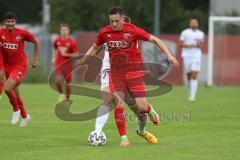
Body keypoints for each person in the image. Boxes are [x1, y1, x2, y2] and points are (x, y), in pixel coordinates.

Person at [78, 7, 178, 146]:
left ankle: (146, 114)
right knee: (116, 102)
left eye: (116, 21)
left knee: (140, 108)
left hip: (134, 73)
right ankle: (123, 139)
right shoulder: (105, 32)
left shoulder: (133, 30)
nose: (113, 24)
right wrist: (85, 58)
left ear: (123, 19)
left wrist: (169, 55)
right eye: (111, 21)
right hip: (116, 73)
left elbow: (155, 40)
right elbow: (95, 47)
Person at [94, 16, 156, 147]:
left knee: (139, 110)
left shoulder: (131, 38)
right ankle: (97, 132)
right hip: (109, 71)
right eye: (114, 23)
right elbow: (97, 46)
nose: (117, 26)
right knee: (108, 99)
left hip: (127, 74)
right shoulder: (107, 34)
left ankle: (142, 131)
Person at [0, 12, 39, 127]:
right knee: (16, 94)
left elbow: (36, 41)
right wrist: (1, 68)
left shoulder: (22, 33)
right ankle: (25, 116)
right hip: (7, 66)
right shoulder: (1, 33)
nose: (10, 23)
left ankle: (16, 110)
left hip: (19, 66)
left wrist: (36, 59)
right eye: (8, 21)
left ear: (15, 22)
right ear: (4, 22)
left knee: (7, 88)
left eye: (12, 21)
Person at [52, 24, 79, 102]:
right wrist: (54, 57)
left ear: (68, 31)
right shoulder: (57, 40)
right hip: (59, 64)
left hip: (68, 65)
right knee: (58, 80)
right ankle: (61, 93)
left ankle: (67, 99)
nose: (64, 32)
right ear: (60, 31)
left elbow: (76, 54)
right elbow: (54, 47)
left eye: (65, 30)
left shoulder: (72, 42)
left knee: (67, 84)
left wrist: (67, 54)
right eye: (62, 30)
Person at [180, 19, 204, 102]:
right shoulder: (185, 32)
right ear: (190, 24)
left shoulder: (200, 33)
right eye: (192, 22)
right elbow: (180, 44)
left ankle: (193, 96)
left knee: (194, 75)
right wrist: (190, 45)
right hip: (186, 55)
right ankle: (190, 91)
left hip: (196, 56)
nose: (194, 23)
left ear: (197, 24)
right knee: (189, 75)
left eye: (195, 22)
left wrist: (199, 44)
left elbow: (201, 44)